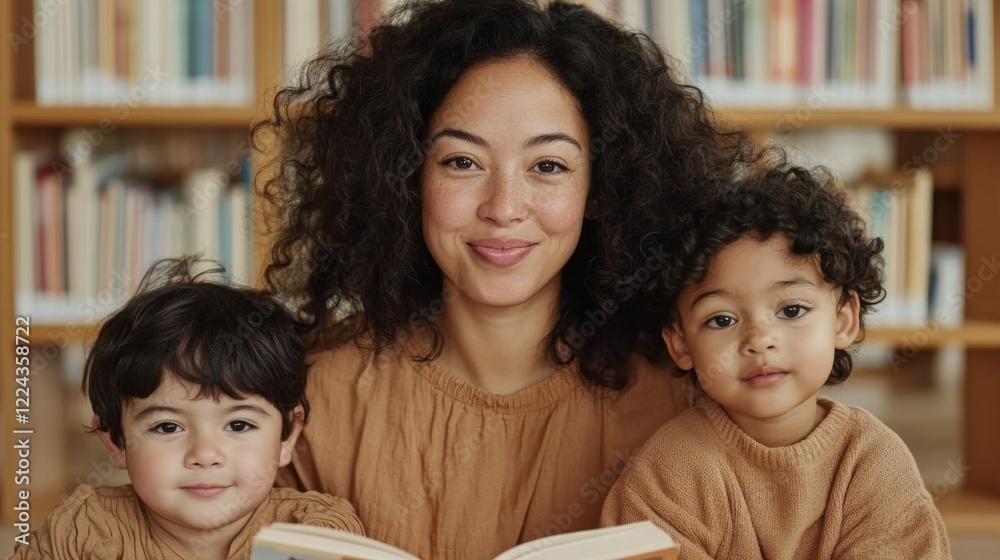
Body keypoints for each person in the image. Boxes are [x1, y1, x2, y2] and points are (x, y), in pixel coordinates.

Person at [252, 0, 754, 558]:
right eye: (462, 162)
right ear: (404, 178)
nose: (503, 207)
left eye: (549, 166)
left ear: (602, 189)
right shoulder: (303, 398)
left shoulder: (691, 400)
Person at [600, 165, 953, 559]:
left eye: (791, 310)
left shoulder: (872, 461)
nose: (759, 340)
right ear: (680, 343)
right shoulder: (667, 474)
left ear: (843, 319)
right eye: (722, 320)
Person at [8, 259, 364, 560]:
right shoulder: (81, 533)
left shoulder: (315, 529)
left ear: (288, 434)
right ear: (116, 440)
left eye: (239, 425)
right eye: (167, 427)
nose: (205, 455)